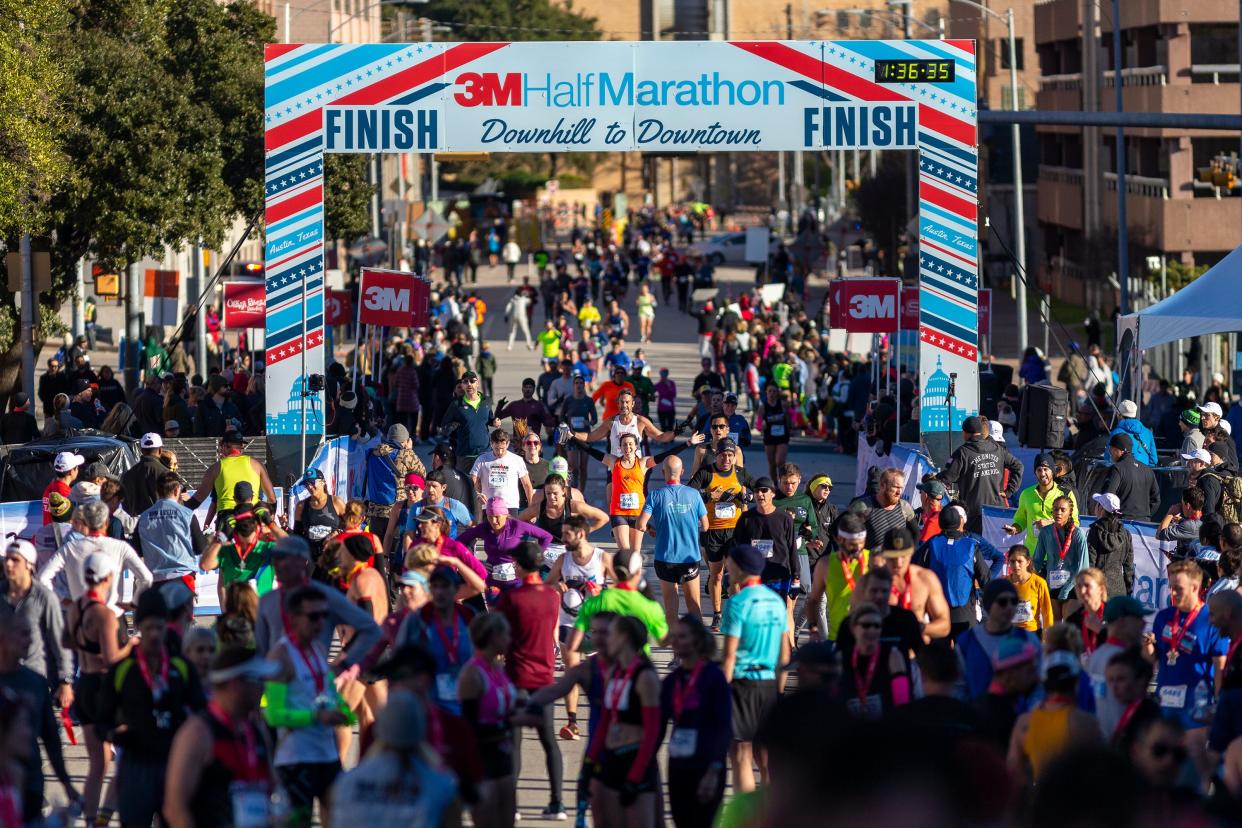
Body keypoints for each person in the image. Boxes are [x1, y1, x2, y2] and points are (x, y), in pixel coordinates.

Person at [97, 589, 205, 828]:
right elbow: (102, 721)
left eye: (159, 627)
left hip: (174, 766)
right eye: (149, 629)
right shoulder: (123, 670)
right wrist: (117, 734)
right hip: (136, 768)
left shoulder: (181, 667)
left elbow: (202, 714)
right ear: (138, 628)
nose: (155, 635)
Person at [263, 585, 355, 828]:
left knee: (340, 818)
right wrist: (316, 716)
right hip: (296, 760)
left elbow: (329, 692)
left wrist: (343, 712)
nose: (321, 623)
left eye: (325, 616)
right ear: (293, 618)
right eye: (313, 616)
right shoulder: (280, 657)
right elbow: (273, 715)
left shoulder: (318, 649)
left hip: (327, 755)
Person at [163, 647, 278, 828]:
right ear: (235, 685)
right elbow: (174, 809)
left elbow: (273, 789)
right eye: (258, 680)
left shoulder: (256, 729)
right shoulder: (198, 733)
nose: (264, 687)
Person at [495, 541, 565, 819]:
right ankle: (557, 803)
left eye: (515, 562)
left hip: (517, 678)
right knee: (549, 742)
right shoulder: (552, 596)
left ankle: (512, 807)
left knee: (514, 743)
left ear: (521, 566)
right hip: (545, 680)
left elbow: (498, 635)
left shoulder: (512, 598)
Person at [65, 553, 132, 825]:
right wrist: (133, 645)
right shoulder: (104, 615)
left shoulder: (75, 608)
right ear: (108, 578)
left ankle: (92, 820)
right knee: (124, 758)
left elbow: (66, 641)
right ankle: (107, 813)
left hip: (84, 686)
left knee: (97, 764)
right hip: (104, 689)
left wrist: (86, 646)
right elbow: (112, 658)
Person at [253, 536, 381, 676]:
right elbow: (261, 647)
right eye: (275, 559)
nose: (277, 564)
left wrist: (344, 664)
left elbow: (371, 629)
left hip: (313, 686)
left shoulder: (326, 596)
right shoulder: (267, 600)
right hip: (277, 687)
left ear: (302, 562)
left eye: (283, 559)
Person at [721, 543, 789, 793]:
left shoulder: (737, 603)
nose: (727, 565)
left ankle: (745, 814)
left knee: (741, 754)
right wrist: (779, 691)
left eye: (730, 562)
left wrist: (719, 692)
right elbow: (785, 653)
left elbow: (729, 656)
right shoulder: (776, 601)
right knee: (766, 757)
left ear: (739, 567)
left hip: (742, 682)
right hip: (769, 682)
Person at [0, 607, 77, 823]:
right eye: (22, 634)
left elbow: (51, 737)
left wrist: (66, 782)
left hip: (31, 783)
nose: (30, 641)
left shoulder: (35, 682)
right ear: (3, 637)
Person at [587, 615, 662, 828]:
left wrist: (636, 776)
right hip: (611, 761)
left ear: (624, 638)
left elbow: (652, 732)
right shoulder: (614, 671)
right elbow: (604, 721)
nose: (604, 639)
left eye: (610, 634)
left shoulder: (646, 677)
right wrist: (589, 764)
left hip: (635, 760)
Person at [1152, 559, 1225, 771]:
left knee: (1193, 762)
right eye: (1171, 586)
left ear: (1195, 587)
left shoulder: (1211, 620)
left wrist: (1217, 703)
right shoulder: (1164, 617)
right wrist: (1147, 650)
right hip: (1166, 697)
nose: (1173, 592)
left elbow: (1219, 665)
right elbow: (1158, 656)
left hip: (1196, 702)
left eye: (1178, 588)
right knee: (1164, 760)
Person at [543, 516, 612, 740]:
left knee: (598, 675)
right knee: (572, 672)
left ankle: (603, 717)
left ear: (580, 534)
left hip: (595, 626)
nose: (563, 539)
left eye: (567, 534)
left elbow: (624, 589)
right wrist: (557, 585)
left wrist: (601, 591)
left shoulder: (602, 558)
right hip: (568, 623)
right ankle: (572, 723)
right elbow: (547, 585)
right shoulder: (563, 559)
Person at [662, 615, 730, 828]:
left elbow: (723, 726)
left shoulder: (714, 678)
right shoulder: (672, 681)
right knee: (681, 821)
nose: (676, 641)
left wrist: (714, 770)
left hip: (707, 764)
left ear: (698, 641)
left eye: (682, 637)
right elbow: (657, 727)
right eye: (674, 636)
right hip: (678, 765)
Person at [458, 613, 519, 828]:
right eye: (506, 635)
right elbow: (468, 728)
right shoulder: (472, 674)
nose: (510, 639)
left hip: (504, 759)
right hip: (483, 762)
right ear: (493, 637)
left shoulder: (499, 669)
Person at [37, 501, 153, 613]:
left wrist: (64, 601)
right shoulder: (121, 547)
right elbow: (146, 578)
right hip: (111, 614)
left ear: (85, 522)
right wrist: (134, 603)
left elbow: (42, 578)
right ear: (107, 523)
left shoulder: (70, 547)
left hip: (80, 615)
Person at [688, 438, 755, 631]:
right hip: (713, 531)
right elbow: (689, 493)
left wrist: (748, 496)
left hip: (735, 531)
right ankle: (717, 614)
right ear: (717, 455)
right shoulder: (707, 472)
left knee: (736, 574)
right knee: (716, 575)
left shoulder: (740, 473)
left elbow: (760, 488)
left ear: (735, 457)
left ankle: (734, 614)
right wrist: (710, 496)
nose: (726, 459)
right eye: (723, 455)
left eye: (730, 455)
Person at [1007, 651, 1101, 784]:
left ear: (1044, 683)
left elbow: (1014, 769)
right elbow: (1100, 771)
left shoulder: (1024, 723)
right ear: (1076, 684)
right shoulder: (1086, 723)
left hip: (1040, 798)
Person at [638, 455, 709, 627]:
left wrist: (651, 528)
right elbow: (705, 526)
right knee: (694, 605)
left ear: (663, 472)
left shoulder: (655, 495)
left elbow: (640, 524)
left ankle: (676, 651)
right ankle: (698, 649)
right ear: (682, 472)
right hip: (689, 558)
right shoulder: (694, 495)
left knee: (671, 609)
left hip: (664, 558)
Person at [0, 540, 73, 700]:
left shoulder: (45, 597)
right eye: (7, 559)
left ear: (29, 564)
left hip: (33, 677)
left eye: (15, 560)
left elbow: (59, 640)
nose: (9, 564)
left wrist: (65, 680)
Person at [733, 476, 800, 646]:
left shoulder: (784, 519)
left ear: (772, 494)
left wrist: (796, 576)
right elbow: (737, 549)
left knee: (781, 614)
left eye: (764, 491)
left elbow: (792, 548)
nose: (760, 494)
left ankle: (786, 649)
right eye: (756, 491)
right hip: (754, 578)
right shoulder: (746, 518)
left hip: (779, 576)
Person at [957, 579, 1043, 700]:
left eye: (1014, 602)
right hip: (978, 714)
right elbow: (958, 686)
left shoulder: (1027, 639)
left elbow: (1039, 681)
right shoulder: (967, 641)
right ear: (988, 604)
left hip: (1018, 716)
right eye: (1002, 602)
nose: (1009, 607)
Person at [938, 415, 1024, 533]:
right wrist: (1009, 490)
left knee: (976, 547)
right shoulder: (997, 448)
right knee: (993, 548)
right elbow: (1018, 466)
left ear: (966, 433)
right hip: (996, 510)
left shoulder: (963, 452)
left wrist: (935, 477)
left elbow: (948, 477)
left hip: (973, 511)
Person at [917, 506, 992, 637]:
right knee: (966, 653)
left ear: (940, 523)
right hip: (964, 611)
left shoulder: (931, 544)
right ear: (960, 523)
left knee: (939, 655)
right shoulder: (971, 545)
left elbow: (916, 570)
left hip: (936, 610)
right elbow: (985, 578)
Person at [457, 499, 553, 598]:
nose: (494, 521)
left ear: (505, 515)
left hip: (515, 582)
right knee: (495, 611)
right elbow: (459, 542)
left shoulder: (516, 526)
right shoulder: (484, 528)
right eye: (490, 517)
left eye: (497, 517)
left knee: (516, 611)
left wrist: (534, 558)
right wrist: (471, 561)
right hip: (493, 583)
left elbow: (546, 537)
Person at [134, 471, 209, 590]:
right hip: (183, 576)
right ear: (176, 490)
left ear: (157, 491)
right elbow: (200, 547)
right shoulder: (187, 514)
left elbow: (137, 550)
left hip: (155, 580)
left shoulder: (143, 517)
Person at [839, 602, 911, 721]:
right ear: (853, 628)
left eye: (877, 626)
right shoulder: (842, 657)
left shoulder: (893, 657)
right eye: (866, 625)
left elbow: (902, 702)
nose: (872, 630)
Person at [877, 529, 951, 642]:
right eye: (892, 557)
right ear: (884, 555)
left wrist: (920, 628)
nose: (898, 563)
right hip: (881, 653)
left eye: (903, 556)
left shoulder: (926, 579)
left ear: (911, 553)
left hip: (914, 655)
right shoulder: (870, 581)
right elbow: (854, 622)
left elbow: (944, 625)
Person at [807, 512, 870, 642]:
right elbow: (813, 600)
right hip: (838, 638)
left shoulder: (875, 561)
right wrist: (813, 629)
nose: (858, 549)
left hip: (869, 639)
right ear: (840, 540)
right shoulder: (825, 565)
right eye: (852, 544)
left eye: (861, 544)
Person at [187, 430, 276, 519]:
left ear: (225, 446)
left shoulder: (215, 468)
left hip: (226, 518)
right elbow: (271, 498)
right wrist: (270, 519)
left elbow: (198, 499)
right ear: (242, 446)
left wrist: (180, 509)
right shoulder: (257, 465)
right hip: (251, 518)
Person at [1005, 453, 1077, 554]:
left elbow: (1075, 523)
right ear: (1035, 473)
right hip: (1033, 554)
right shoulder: (1026, 494)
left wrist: (1051, 523)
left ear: (1052, 471)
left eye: (1046, 469)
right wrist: (1015, 528)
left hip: (1057, 554)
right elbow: (1021, 519)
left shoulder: (1066, 494)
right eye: (1039, 470)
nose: (1042, 474)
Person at [1031, 495, 1090, 616]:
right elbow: (1037, 560)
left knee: (1068, 628)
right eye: (1056, 509)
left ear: (1070, 512)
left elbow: (1083, 568)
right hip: (1052, 584)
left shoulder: (1078, 534)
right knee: (1054, 629)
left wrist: (1066, 589)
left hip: (1073, 586)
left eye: (1063, 510)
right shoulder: (1045, 532)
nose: (1058, 513)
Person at [441, 372, 498, 473]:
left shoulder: (486, 401)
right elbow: (444, 427)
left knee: (486, 487)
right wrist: (451, 427)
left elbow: (489, 419)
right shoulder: (456, 405)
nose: (469, 384)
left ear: (478, 383)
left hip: (485, 453)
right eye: (465, 382)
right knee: (466, 487)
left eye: (472, 381)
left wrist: (494, 421)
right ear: (462, 385)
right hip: (465, 455)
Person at [470, 428, 533, 514]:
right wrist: (477, 494)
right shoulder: (482, 459)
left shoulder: (517, 460)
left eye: (503, 448)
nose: (499, 452)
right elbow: (472, 480)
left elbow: (527, 485)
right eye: (496, 448)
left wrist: (531, 508)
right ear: (491, 444)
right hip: (489, 506)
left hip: (510, 506)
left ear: (507, 444)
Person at [1086, 492, 1134, 600]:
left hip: (1098, 590)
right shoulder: (1126, 534)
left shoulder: (1094, 532)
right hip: (1119, 591)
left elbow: (1090, 563)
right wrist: (1128, 590)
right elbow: (1129, 567)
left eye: (1097, 503)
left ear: (1101, 509)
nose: (1095, 506)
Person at [1102, 432, 1160, 521]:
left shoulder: (1117, 469)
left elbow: (1108, 496)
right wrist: (1145, 516)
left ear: (1120, 451)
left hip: (1122, 523)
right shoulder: (1148, 470)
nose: (1110, 453)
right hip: (1144, 525)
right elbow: (1156, 500)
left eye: (1112, 449)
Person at [293, 468, 345, 563]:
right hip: (311, 559)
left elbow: (351, 526)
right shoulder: (301, 506)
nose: (309, 487)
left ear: (323, 482)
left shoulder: (336, 502)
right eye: (306, 484)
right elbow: (297, 535)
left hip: (334, 557)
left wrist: (337, 532)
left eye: (312, 482)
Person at [1006, 547, 1054, 635]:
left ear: (1028, 562)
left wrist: (1047, 637)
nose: (1016, 565)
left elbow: (1047, 612)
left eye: (1020, 561)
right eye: (1012, 561)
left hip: (1032, 634)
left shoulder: (1039, 582)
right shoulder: (1004, 583)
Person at [1110, 399, 1159, 465]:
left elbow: (1109, 458)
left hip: (1123, 473)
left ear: (1119, 416)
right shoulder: (1148, 432)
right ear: (1135, 415)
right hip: (1145, 473)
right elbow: (1154, 460)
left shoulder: (1116, 433)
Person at [43, 450, 83, 525]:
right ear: (71, 472)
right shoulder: (67, 494)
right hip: (59, 535)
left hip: (48, 533)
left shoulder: (50, 487)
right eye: (77, 467)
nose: (78, 470)